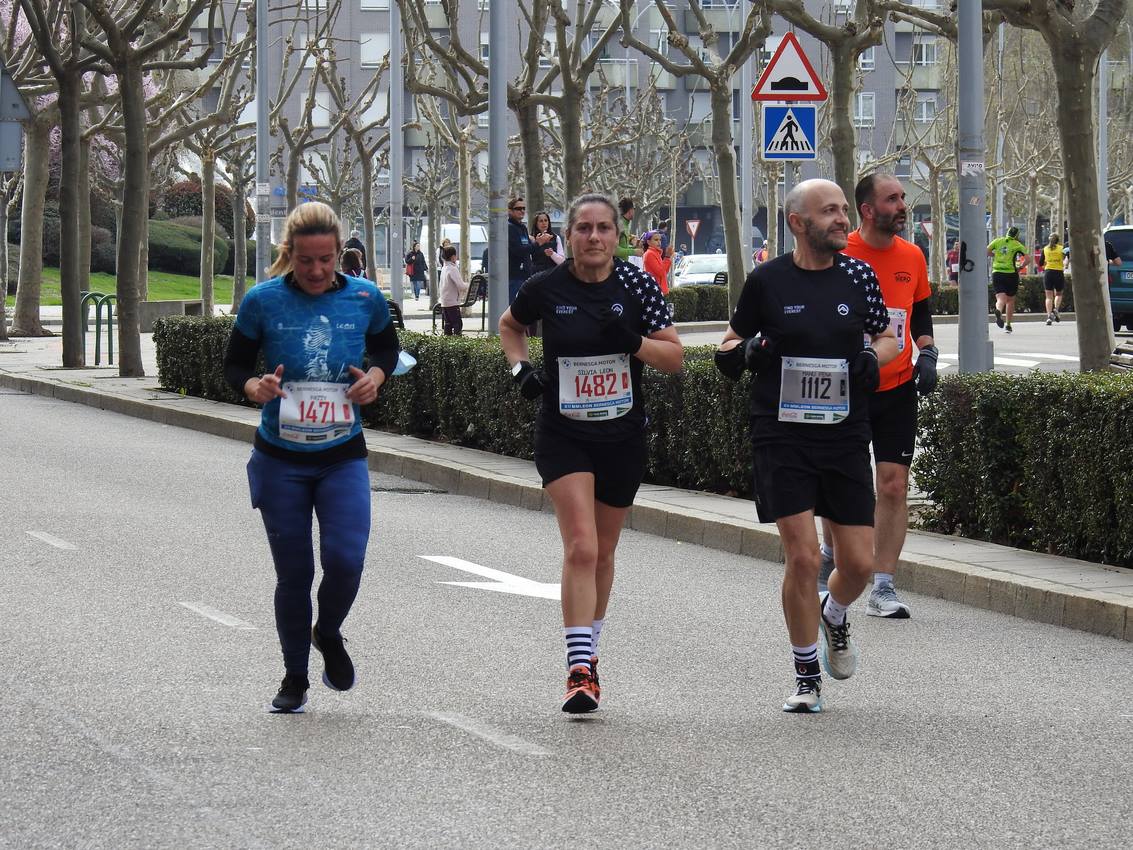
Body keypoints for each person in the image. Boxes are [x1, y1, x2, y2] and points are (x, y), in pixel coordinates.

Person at [714, 178, 897, 713]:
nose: (843, 219)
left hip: (843, 432)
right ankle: (805, 674)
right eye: (830, 212)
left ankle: (835, 614)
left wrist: (875, 359)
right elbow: (727, 344)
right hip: (781, 431)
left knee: (859, 563)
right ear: (798, 222)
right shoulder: (767, 281)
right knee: (800, 556)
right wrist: (750, 350)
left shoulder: (859, 276)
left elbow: (887, 336)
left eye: (844, 210)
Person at [499, 193, 684, 714]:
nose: (595, 237)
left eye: (603, 228)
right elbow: (511, 327)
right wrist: (520, 369)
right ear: (569, 234)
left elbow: (674, 358)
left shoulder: (637, 283)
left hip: (622, 436)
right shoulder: (546, 285)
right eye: (583, 228)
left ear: (615, 234)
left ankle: (591, 652)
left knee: (603, 552)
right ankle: (579, 669)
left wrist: (632, 341)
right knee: (580, 546)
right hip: (564, 433)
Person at [222, 201, 400, 714]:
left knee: (347, 559)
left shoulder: (365, 297)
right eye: (306, 261)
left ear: (340, 252)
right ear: (289, 255)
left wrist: (376, 379)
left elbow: (387, 351)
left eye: (327, 259)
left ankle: (329, 629)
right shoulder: (263, 301)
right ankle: (295, 676)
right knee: (294, 573)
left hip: (342, 453)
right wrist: (255, 385)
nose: (318, 270)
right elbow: (235, 365)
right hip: (280, 457)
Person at [818, 173, 938, 621]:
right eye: (893, 199)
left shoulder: (913, 255)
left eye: (903, 197)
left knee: (893, 484)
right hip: (847, 386)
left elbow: (919, 310)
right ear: (867, 210)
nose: (903, 205)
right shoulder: (840, 251)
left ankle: (883, 586)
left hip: (898, 386)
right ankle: (831, 554)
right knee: (841, 481)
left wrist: (927, 352)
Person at [987, 225, 1028, 333]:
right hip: (1011, 274)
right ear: (1017, 236)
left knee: (1000, 298)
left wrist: (995, 256)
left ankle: (999, 310)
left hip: (997, 273)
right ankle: (1008, 325)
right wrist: (1020, 267)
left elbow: (986, 251)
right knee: (1010, 300)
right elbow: (1028, 259)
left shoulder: (997, 241)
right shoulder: (1017, 244)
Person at [507, 196, 547, 303]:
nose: (522, 211)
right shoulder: (509, 228)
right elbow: (517, 250)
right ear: (510, 210)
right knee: (513, 307)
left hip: (526, 274)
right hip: (514, 276)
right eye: (518, 209)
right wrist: (537, 243)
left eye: (524, 208)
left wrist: (539, 244)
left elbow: (529, 249)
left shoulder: (522, 227)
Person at [439, 244, 467, 336]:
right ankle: (456, 342)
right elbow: (461, 285)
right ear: (453, 257)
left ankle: (447, 342)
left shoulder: (444, 268)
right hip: (452, 302)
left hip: (444, 301)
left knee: (448, 324)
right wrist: (467, 285)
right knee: (457, 323)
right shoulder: (452, 269)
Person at [1043, 233, 1066, 325]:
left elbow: (1041, 262)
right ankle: (1055, 309)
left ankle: (1049, 316)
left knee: (1048, 296)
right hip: (1058, 272)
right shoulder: (1062, 249)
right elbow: (1066, 257)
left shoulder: (1045, 249)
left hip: (1048, 273)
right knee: (1059, 294)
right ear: (1058, 240)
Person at [641, 229, 672, 296]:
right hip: (654, 292)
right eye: (656, 240)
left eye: (660, 240)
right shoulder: (649, 254)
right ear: (648, 242)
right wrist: (667, 257)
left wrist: (668, 258)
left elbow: (664, 272)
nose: (659, 242)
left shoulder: (656, 253)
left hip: (659, 291)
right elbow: (660, 272)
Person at [614, 197, 642, 262]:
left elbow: (623, 248)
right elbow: (614, 250)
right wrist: (634, 252)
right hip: (617, 267)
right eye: (634, 209)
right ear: (630, 210)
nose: (634, 211)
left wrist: (634, 248)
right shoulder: (619, 225)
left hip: (623, 265)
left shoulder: (625, 224)